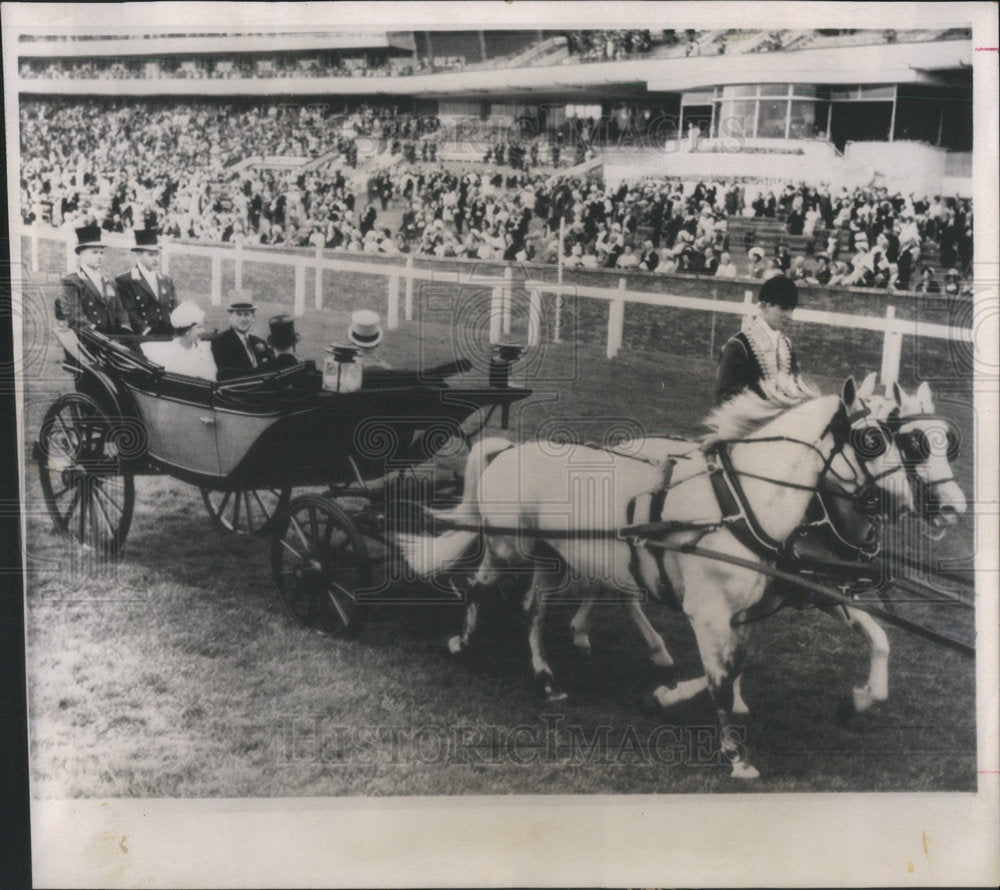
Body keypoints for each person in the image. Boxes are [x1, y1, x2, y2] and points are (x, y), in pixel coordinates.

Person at [716, 275, 801, 405]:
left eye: (792, 309)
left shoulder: (786, 344)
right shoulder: (738, 345)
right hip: (747, 423)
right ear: (764, 306)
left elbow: (795, 388)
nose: (789, 316)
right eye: (783, 308)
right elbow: (726, 398)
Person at [58, 225, 132, 333]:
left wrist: (125, 327)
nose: (100, 256)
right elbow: (74, 316)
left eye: (101, 252)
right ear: (82, 254)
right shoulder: (72, 282)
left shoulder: (109, 282)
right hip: (89, 337)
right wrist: (94, 332)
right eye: (94, 252)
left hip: (114, 337)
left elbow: (120, 310)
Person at [115, 229, 177, 336]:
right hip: (143, 337)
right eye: (150, 255)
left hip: (168, 335)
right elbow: (130, 312)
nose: (156, 259)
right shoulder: (126, 281)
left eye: (157, 254)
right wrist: (145, 331)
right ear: (139, 255)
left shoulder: (166, 280)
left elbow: (174, 307)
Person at [211, 296, 273, 380]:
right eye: (239, 314)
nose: (243, 319)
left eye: (246, 314)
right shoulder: (221, 341)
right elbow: (224, 374)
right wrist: (259, 372)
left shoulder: (258, 341)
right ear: (231, 318)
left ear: (253, 318)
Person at [157, 302, 217, 381]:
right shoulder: (170, 351)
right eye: (199, 327)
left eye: (203, 327)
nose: (203, 331)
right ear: (187, 330)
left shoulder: (204, 350)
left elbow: (212, 378)